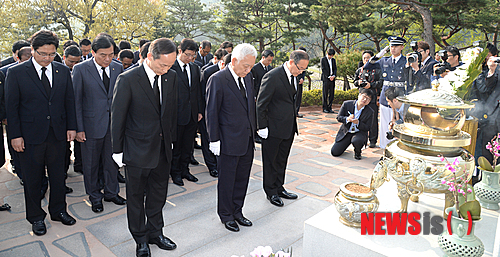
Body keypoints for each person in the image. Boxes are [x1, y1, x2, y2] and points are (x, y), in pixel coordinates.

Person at [5, 29, 77, 236]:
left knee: (58, 177)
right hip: (29, 136)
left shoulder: (62, 71)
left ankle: (58, 211)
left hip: (57, 134)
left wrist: (71, 127)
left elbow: (68, 101)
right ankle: (36, 217)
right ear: (33, 51)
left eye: (51, 54)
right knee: (33, 180)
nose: (47, 58)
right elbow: (12, 107)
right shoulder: (17, 72)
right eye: (42, 54)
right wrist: (15, 136)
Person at [111, 38, 178, 256]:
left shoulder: (171, 77)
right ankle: (140, 239)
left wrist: (171, 140)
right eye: (163, 65)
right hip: (136, 150)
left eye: (170, 65)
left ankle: (156, 232)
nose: (166, 69)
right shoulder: (128, 79)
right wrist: (117, 150)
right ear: (149, 57)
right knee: (136, 197)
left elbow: (170, 113)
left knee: (159, 194)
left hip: (162, 149)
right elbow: (117, 117)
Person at [206, 43, 257, 232]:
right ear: (234, 61)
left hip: (246, 139)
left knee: (242, 179)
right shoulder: (218, 79)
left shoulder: (249, 77)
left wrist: (255, 130)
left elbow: (250, 107)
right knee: (227, 181)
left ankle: (238, 211)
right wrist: (214, 140)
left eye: (251, 66)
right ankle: (226, 215)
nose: (249, 69)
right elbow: (211, 112)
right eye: (245, 66)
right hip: (227, 140)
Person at [73, 34, 126, 213]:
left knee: (112, 162)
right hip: (90, 127)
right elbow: (77, 102)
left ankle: (112, 192)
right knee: (91, 165)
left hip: (113, 126)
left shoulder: (118, 68)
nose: (107, 58)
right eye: (103, 55)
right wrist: (79, 128)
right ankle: (95, 196)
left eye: (111, 54)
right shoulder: (81, 69)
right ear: (93, 52)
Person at [257, 50, 309, 207]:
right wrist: (262, 126)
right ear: (292, 62)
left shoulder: (295, 76)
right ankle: (270, 191)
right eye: (300, 68)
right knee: (270, 161)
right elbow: (261, 103)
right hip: (272, 128)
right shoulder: (272, 76)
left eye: (304, 69)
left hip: (288, 127)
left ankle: (279, 187)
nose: (302, 72)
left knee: (282, 160)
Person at [169, 38, 203, 187]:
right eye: (187, 54)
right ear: (180, 51)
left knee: (188, 146)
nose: (190, 58)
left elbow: (197, 92)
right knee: (176, 146)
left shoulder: (195, 68)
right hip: (176, 114)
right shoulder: (171, 67)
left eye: (193, 56)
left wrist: (199, 111)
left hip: (192, 113)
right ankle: (175, 173)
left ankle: (185, 170)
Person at [368, 36, 409, 149]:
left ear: (402, 47)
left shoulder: (406, 61)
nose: (393, 48)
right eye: (391, 46)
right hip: (385, 96)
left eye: (396, 46)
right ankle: (384, 147)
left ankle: (398, 148)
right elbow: (368, 65)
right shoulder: (384, 60)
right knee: (385, 123)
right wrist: (379, 55)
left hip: (399, 98)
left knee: (400, 124)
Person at [199, 48, 229, 178]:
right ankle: (211, 166)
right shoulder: (208, 72)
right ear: (218, 60)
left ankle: (219, 164)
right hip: (208, 111)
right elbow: (201, 94)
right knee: (207, 139)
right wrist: (201, 112)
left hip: (222, 113)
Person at [331, 89, 374, 159]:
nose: (365, 99)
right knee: (335, 152)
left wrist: (358, 123)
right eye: (364, 97)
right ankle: (346, 143)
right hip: (347, 131)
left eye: (368, 99)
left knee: (357, 141)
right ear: (359, 95)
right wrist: (347, 119)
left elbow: (368, 127)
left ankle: (357, 151)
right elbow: (339, 117)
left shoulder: (370, 111)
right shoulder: (347, 104)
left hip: (359, 132)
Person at [354, 50, 382, 148]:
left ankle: (373, 140)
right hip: (361, 98)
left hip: (373, 97)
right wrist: (359, 83)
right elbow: (355, 81)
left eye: (368, 58)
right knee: (361, 118)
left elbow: (381, 82)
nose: (366, 60)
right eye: (364, 58)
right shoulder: (360, 70)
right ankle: (361, 139)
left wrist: (371, 85)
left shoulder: (377, 70)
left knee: (373, 119)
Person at [321, 49, 337, 113]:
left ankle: (330, 107)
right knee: (325, 93)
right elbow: (323, 69)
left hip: (332, 79)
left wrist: (333, 75)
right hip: (326, 79)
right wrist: (329, 76)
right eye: (330, 55)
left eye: (332, 55)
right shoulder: (323, 59)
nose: (331, 57)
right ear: (327, 53)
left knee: (331, 94)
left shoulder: (333, 60)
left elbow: (335, 69)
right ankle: (325, 108)